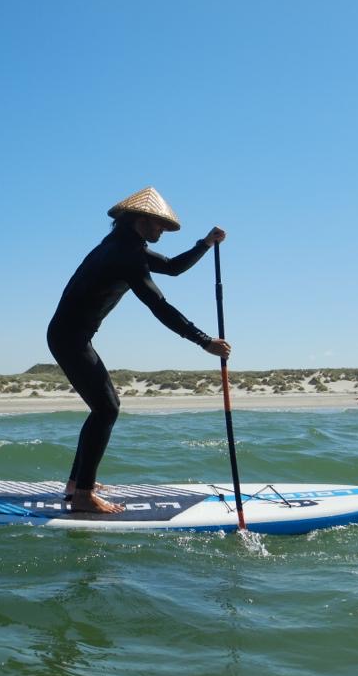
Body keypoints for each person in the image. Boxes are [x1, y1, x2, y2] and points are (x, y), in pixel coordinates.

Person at [47, 186, 230, 513]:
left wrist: (204, 244)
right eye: (158, 223)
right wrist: (204, 341)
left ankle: (77, 484)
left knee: (105, 407)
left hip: (70, 335)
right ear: (140, 220)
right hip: (69, 337)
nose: (162, 229)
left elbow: (173, 267)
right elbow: (159, 305)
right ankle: (83, 495)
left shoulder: (122, 246)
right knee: (107, 409)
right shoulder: (124, 254)